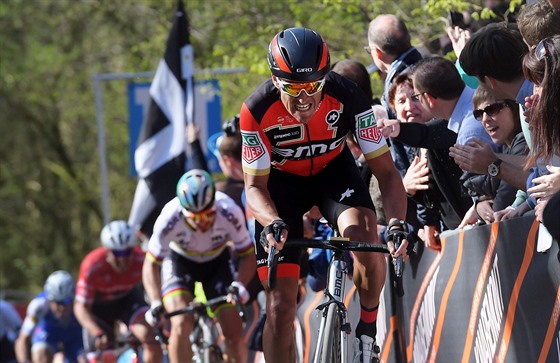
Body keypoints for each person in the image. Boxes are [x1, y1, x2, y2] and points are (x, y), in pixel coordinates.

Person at [240, 27, 409, 363]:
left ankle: (366, 334)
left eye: (313, 86)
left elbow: (387, 173)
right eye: (293, 89)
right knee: (280, 306)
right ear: (275, 82)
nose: (304, 99)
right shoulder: (256, 112)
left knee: (364, 240)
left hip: (334, 175)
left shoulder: (349, 98)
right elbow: (255, 188)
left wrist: (396, 223)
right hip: (280, 189)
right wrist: (272, 220)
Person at [142, 169, 255, 363]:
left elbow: (248, 254)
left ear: (215, 206)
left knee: (234, 336)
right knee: (180, 323)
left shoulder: (228, 210)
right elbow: (151, 263)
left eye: (208, 216)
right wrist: (155, 301)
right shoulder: (169, 217)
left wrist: (239, 284)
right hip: (180, 262)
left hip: (217, 262)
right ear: (184, 212)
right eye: (195, 218)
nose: (202, 223)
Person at [379, 72, 473, 249]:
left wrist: (397, 129)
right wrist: (406, 189)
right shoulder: (402, 151)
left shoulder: (450, 127)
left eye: (415, 98)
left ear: (429, 99)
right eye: (401, 101)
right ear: (393, 109)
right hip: (445, 238)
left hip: (474, 225)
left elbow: (426, 135)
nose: (409, 107)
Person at [74, 220, 162, 362]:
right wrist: (96, 332)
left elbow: (158, 283)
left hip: (127, 300)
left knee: (150, 338)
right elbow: (80, 307)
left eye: (127, 252)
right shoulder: (92, 265)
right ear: (107, 251)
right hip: (99, 308)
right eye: (117, 254)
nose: (123, 259)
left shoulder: (142, 259)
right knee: (102, 356)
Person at [452, 87, 529, 225]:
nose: (485, 120)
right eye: (479, 114)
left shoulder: (523, 141)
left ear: (513, 106)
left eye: (492, 109)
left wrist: (492, 164)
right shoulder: (506, 146)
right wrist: (479, 205)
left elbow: (500, 207)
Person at [365, 15, 423, 183]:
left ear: (376, 52)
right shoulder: (427, 64)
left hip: (421, 178)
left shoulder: (402, 82)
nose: (409, 106)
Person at [15, 271, 83, 363]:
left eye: (66, 302)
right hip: (49, 332)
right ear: (49, 299)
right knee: (41, 354)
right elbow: (23, 339)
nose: (61, 308)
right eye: (57, 302)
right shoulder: (39, 305)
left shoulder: (81, 302)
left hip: (74, 334)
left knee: (83, 359)